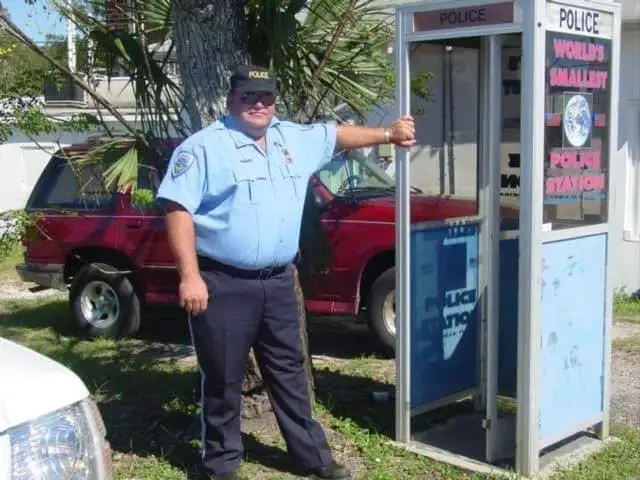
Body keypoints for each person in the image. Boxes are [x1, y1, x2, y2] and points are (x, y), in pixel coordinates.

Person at [155, 64, 416, 480]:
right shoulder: (203, 147)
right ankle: (220, 464)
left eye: (266, 97)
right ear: (231, 100)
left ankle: (312, 458)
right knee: (222, 377)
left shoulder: (291, 137)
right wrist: (190, 275)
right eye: (249, 97)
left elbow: (337, 135)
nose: (258, 105)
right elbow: (177, 209)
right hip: (224, 282)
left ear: (274, 101)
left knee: (290, 372)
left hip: (278, 282)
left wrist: (389, 135)